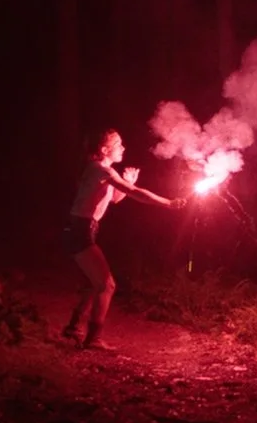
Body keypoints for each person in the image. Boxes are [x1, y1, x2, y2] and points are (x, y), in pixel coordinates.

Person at [61, 128, 186, 350]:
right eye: (118, 144)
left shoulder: (102, 171)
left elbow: (116, 199)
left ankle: (74, 327)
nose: (123, 148)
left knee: (95, 283)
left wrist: (127, 181)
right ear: (104, 150)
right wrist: (168, 203)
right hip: (80, 230)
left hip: (83, 229)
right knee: (107, 285)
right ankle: (93, 338)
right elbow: (135, 193)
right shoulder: (101, 170)